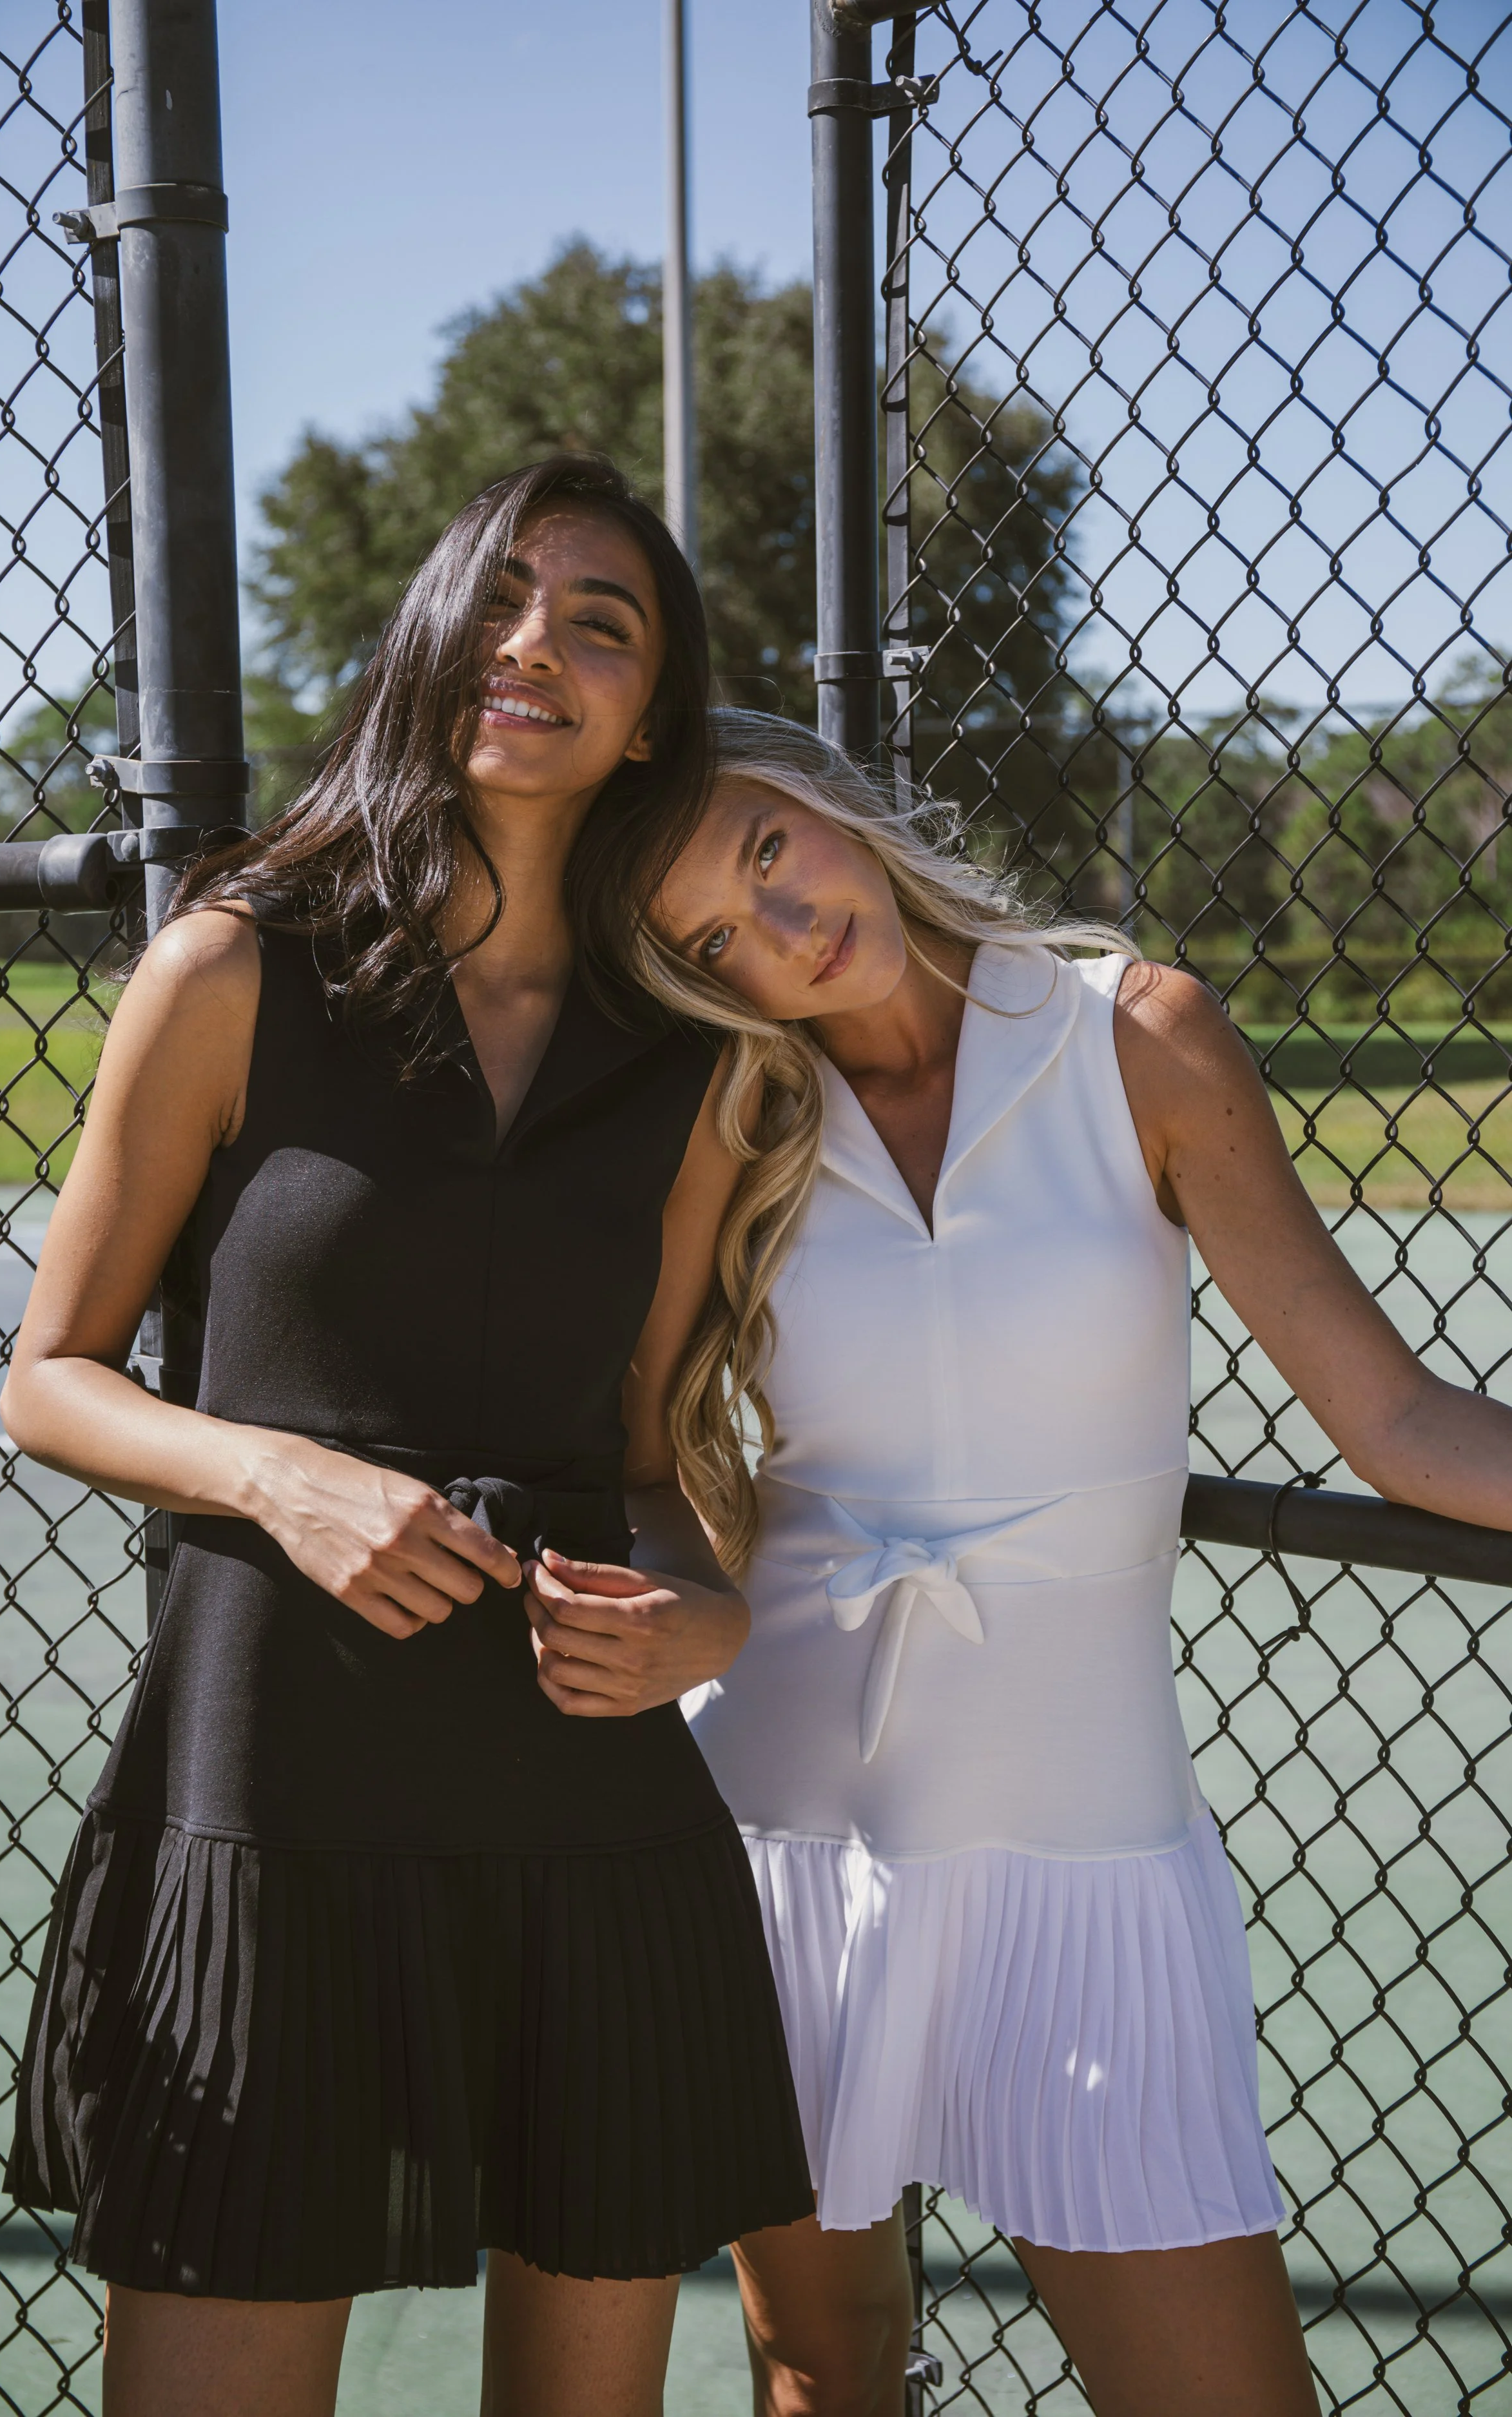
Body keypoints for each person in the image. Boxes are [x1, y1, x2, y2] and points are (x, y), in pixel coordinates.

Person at [522, 708, 1512, 2417]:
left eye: (770, 851)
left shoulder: (1137, 1037)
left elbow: (1398, 1418)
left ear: (826, 807)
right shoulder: (729, 1116)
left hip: (1089, 1853)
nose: (782, 925)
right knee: (825, 2366)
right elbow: (640, 1466)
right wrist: (695, 1599)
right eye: (712, 939)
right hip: (787, 1838)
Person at [0, 469, 812, 2417]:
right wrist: (277, 1470)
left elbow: (652, 1431)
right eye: (506, 599)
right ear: (432, 637)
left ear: (645, 714)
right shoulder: (231, 964)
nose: (538, 643)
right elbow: (51, 1372)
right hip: (274, 1785)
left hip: (584, 1816)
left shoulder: (692, 1052)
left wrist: (714, 1612)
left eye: (601, 623)